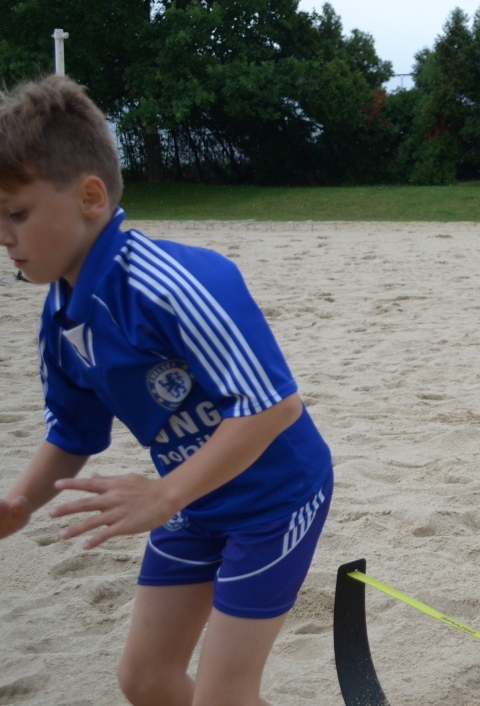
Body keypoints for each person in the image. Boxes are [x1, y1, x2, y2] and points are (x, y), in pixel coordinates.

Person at [0, 76, 333, 706]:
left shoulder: (176, 281)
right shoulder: (61, 315)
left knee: (223, 695)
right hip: (194, 502)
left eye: (17, 213)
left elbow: (273, 405)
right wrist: (19, 504)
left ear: (90, 197)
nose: (4, 236)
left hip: (275, 499)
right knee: (145, 680)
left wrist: (163, 495)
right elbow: (72, 433)